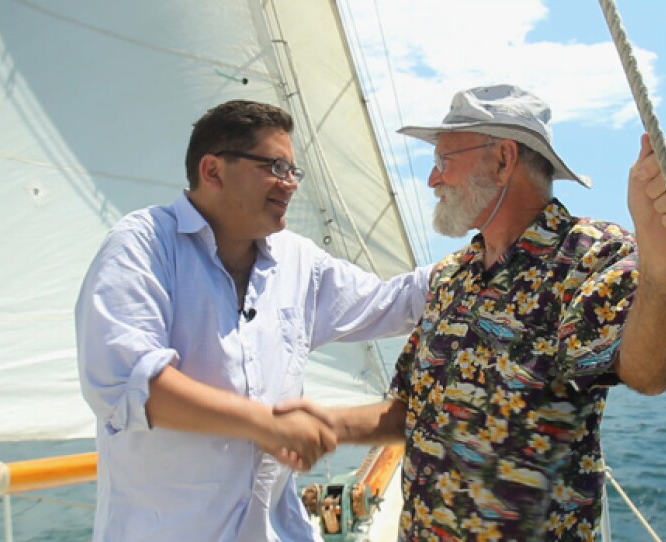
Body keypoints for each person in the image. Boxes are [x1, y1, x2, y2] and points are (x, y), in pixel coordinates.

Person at [275, 84, 666, 541]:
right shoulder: (451, 277)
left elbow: (649, 373)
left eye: (444, 161)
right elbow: (411, 411)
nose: (432, 180)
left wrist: (665, 265)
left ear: (504, 159)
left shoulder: (588, 257)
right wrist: (329, 423)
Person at [74, 99, 431, 541]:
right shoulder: (141, 245)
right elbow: (131, 384)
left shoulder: (298, 261)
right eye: (276, 167)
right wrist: (268, 425)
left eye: (293, 172)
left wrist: (488, 254)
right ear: (213, 171)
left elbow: (393, 302)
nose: (290, 184)